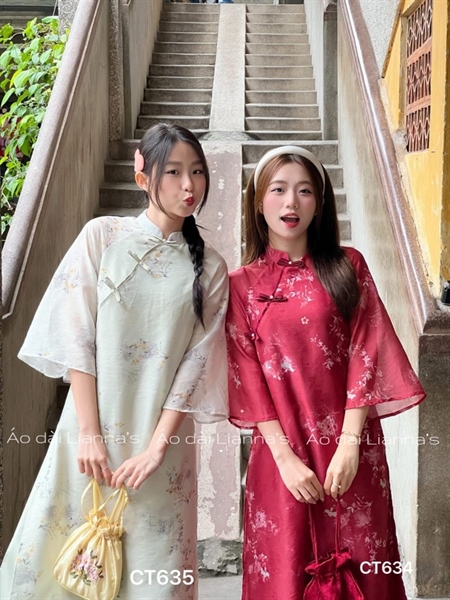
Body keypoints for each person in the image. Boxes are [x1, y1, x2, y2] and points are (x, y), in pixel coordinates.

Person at [0, 123, 229, 600]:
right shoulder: (102, 237)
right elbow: (76, 337)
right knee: (63, 563)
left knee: (156, 575)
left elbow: (195, 366)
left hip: (163, 448)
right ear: (142, 176)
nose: (189, 185)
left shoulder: (211, 268)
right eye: (173, 172)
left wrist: (156, 450)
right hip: (91, 434)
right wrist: (89, 434)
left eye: (197, 171)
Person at [226, 145, 426, 599]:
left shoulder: (348, 266)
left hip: (351, 453)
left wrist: (350, 445)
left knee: (367, 566)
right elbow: (246, 376)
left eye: (304, 191)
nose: (291, 202)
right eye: (278, 190)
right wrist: (285, 461)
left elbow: (367, 353)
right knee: (284, 571)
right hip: (282, 458)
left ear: (319, 203)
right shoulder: (241, 285)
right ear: (257, 201)